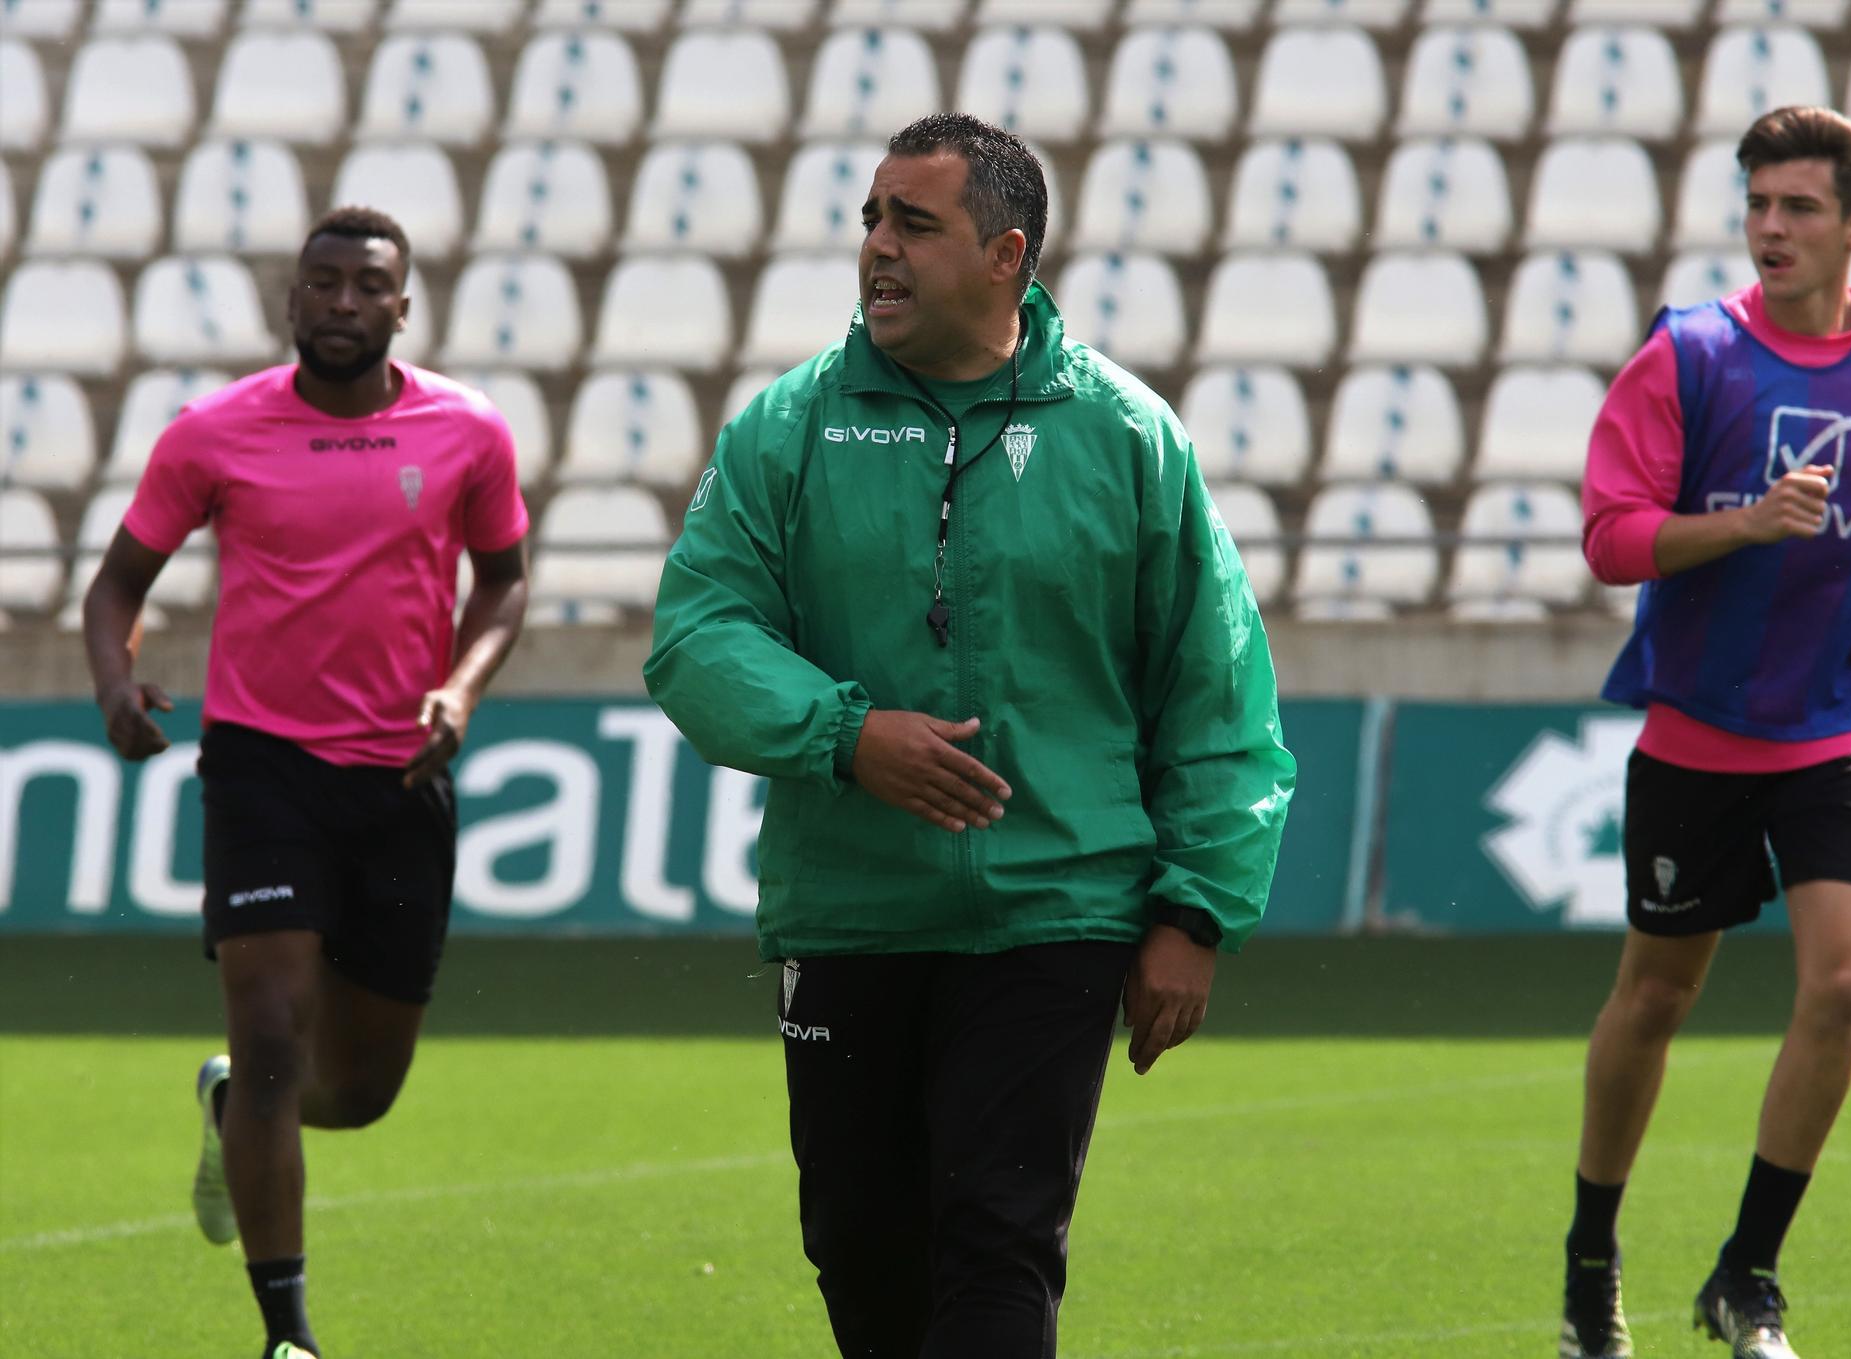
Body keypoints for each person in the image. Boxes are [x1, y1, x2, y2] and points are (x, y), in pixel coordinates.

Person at [643, 113, 1294, 1358]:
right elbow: (694, 637)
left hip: (1055, 915)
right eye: (870, 220)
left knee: (998, 1241)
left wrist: (1194, 910)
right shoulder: (785, 429)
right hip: (844, 912)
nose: (876, 247)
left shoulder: (1125, 433)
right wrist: (846, 735)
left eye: (913, 223)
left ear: (1006, 255)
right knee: (859, 1252)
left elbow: (1215, 690)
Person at [82, 206, 531, 1359]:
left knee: (360, 1090)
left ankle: (230, 1108)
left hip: (402, 773)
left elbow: (504, 582)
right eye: (319, 283)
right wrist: (116, 686)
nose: (340, 302)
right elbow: (115, 587)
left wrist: (463, 690)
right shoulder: (213, 434)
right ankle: (288, 1338)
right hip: (262, 768)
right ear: (293, 299)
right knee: (275, 1031)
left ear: (401, 305)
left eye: (363, 286)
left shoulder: (468, 431)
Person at [1561, 107, 1851, 1359]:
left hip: (1839, 722)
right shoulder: (1685, 356)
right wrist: (1739, 524)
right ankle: (1589, 1265)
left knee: (1843, 982)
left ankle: (1747, 1275)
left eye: (1796, 208)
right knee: (1653, 998)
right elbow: (1608, 535)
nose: (1769, 229)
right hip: (1699, 729)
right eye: (1755, 205)